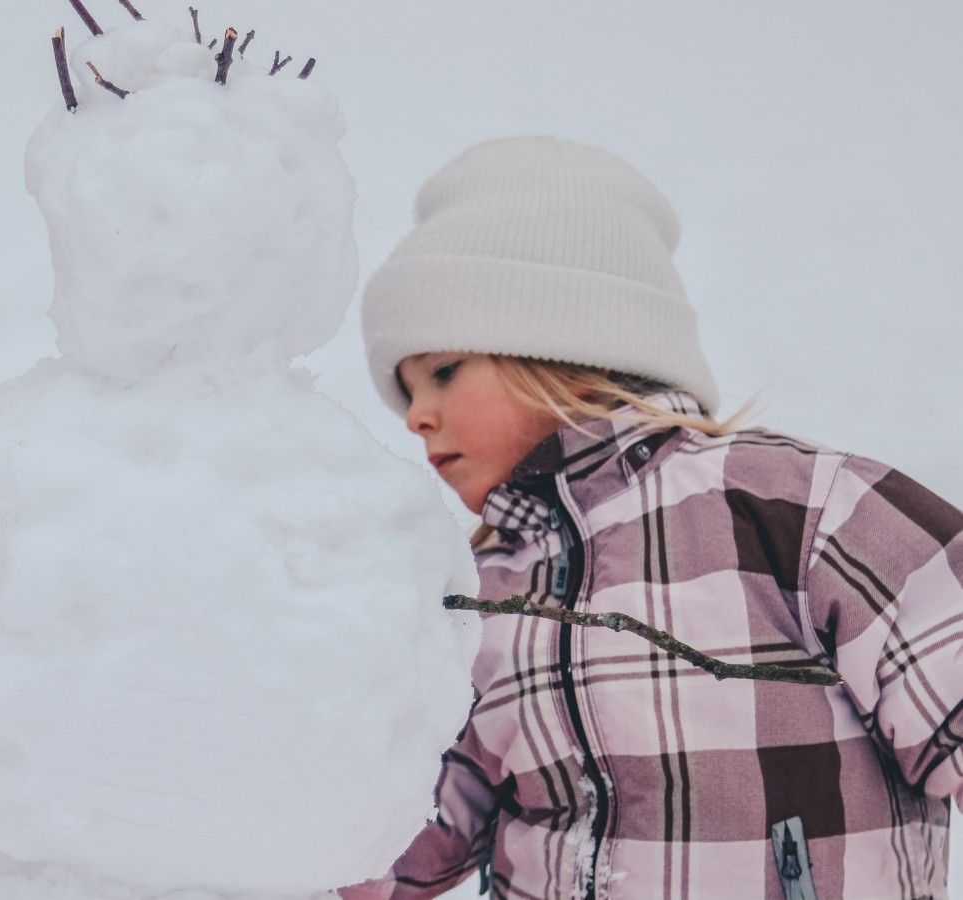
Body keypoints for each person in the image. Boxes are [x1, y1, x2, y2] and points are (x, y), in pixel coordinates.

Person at [345, 136, 963, 899]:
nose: (417, 417)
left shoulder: (793, 508)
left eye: (440, 373)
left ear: (563, 344)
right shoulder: (475, 599)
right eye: (406, 395)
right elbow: (384, 853)